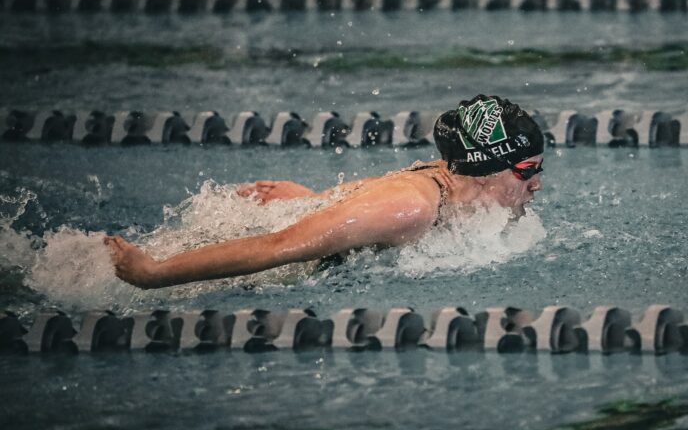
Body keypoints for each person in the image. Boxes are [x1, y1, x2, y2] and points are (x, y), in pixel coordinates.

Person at [105, 95, 546, 289]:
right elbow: (279, 246)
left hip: (294, 222)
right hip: (238, 255)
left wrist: (310, 199)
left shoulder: (455, 184)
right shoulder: (411, 208)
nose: (537, 183)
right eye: (527, 170)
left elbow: (370, 193)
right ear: (487, 168)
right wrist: (154, 273)